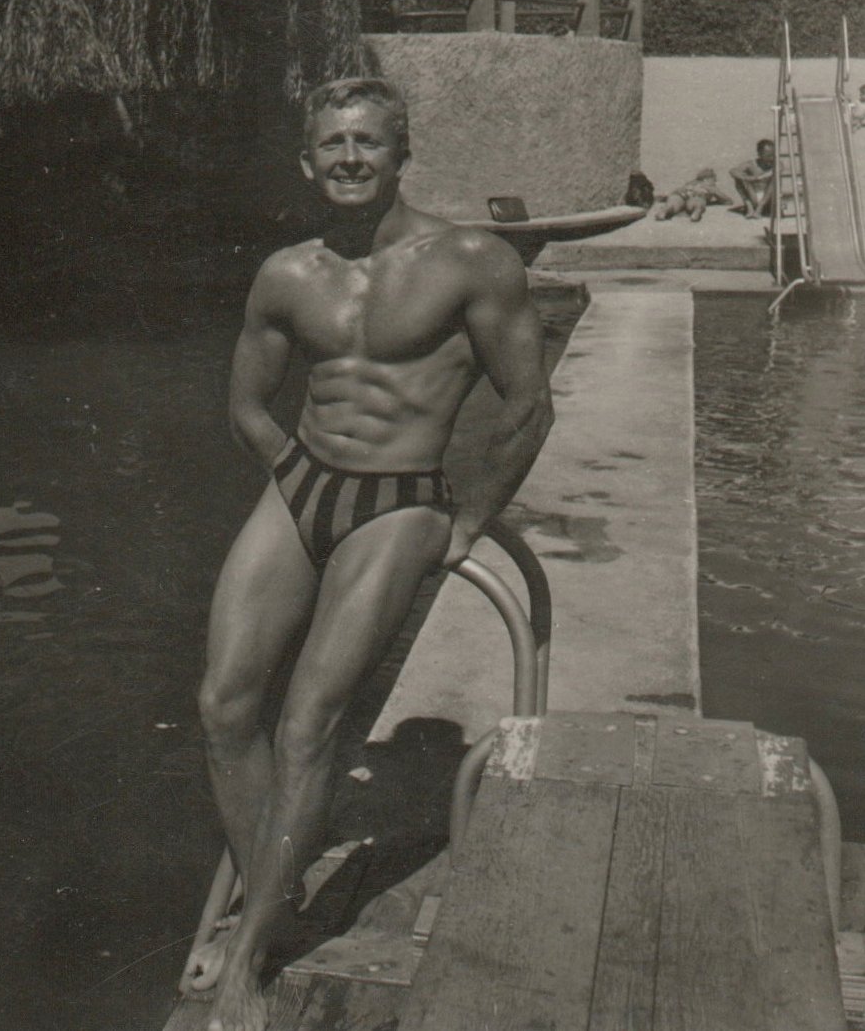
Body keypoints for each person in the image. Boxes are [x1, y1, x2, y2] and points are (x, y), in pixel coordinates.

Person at [185, 76, 554, 1031]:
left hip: (402, 499)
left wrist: (467, 521)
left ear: (400, 153)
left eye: (367, 142)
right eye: (332, 144)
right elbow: (246, 405)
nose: (349, 158)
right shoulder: (286, 274)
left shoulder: (470, 260)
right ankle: (276, 898)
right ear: (307, 162)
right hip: (303, 484)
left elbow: (527, 407)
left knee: (307, 723)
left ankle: (250, 960)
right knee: (224, 704)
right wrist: (294, 478)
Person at [654, 166, 729, 223]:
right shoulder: (709, 186)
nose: (715, 181)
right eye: (714, 179)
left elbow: (678, 192)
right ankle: (696, 212)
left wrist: (665, 198)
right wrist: (714, 200)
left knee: (673, 203)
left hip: (680, 193)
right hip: (697, 195)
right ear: (706, 179)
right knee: (698, 204)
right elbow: (728, 201)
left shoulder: (690, 183)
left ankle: (665, 210)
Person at [729, 138, 775, 217]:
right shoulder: (751, 164)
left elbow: (778, 170)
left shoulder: (776, 163)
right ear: (759, 153)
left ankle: (760, 209)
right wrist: (750, 178)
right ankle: (749, 207)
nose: (771, 158)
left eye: (772, 154)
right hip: (754, 196)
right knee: (738, 179)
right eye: (768, 155)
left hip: (768, 198)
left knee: (775, 179)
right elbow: (733, 171)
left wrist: (759, 177)